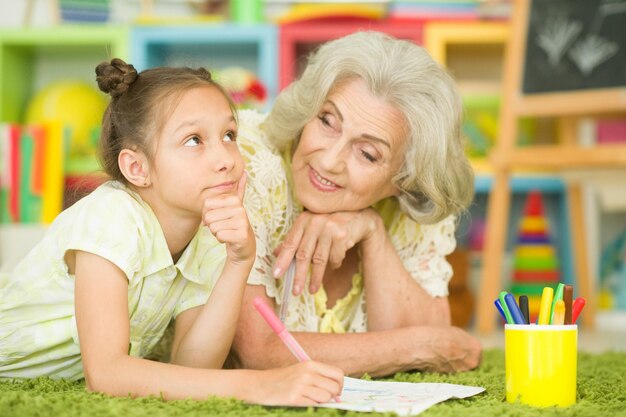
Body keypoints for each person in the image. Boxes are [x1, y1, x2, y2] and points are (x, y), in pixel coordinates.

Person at [0, 58, 343, 404]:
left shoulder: (208, 235)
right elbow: (105, 374)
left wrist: (240, 263)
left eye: (229, 135)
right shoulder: (112, 217)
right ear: (137, 167)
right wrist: (258, 384)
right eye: (194, 140)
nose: (226, 158)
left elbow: (192, 367)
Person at [228, 31, 482, 376]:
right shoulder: (246, 161)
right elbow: (256, 353)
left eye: (367, 153)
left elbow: (435, 338)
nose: (330, 160)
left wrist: (372, 232)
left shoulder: (411, 202)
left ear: (404, 179)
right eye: (327, 121)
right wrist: (418, 347)